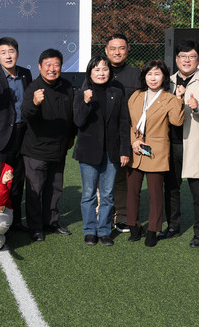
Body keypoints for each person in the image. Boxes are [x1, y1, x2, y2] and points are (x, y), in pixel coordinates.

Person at [161, 40, 199, 247]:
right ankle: (173, 227)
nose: (187, 60)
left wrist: (198, 106)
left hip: (195, 143)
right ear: (176, 59)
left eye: (191, 57)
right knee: (171, 188)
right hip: (171, 143)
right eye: (183, 57)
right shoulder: (167, 81)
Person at [72, 56, 131, 246]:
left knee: (107, 194)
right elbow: (78, 121)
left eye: (105, 69)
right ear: (90, 72)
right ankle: (90, 230)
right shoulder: (82, 93)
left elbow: (123, 123)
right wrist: (86, 102)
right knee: (88, 194)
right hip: (88, 152)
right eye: (96, 69)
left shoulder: (117, 92)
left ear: (110, 72)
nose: (101, 73)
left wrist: (124, 150)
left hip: (111, 152)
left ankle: (104, 231)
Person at [126, 59, 185, 247]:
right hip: (136, 148)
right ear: (144, 76)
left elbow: (176, 121)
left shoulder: (169, 98)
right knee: (132, 191)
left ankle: (153, 229)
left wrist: (179, 98)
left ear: (164, 77)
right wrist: (133, 141)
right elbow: (129, 123)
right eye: (149, 74)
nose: (153, 78)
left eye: (157, 74)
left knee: (155, 194)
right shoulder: (136, 95)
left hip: (156, 151)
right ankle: (133, 226)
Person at [21, 49, 77, 242]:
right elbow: (26, 114)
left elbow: (72, 115)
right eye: (48, 65)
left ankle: (51, 221)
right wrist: (35, 103)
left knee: (55, 189)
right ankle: (35, 227)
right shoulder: (33, 88)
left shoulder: (67, 86)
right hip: (36, 151)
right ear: (40, 67)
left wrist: (71, 136)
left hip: (59, 149)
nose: (52, 69)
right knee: (35, 191)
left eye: (56, 65)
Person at [0, 36, 32, 231]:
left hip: (23, 134)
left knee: (19, 179)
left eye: (11, 51)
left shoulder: (25, 74)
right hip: (2, 136)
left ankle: (16, 220)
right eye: (3, 53)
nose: (8, 56)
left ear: (17, 54)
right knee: (1, 180)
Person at [105, 33, 140, 233]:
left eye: (121, 48)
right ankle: (104, 216)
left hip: (128, 134)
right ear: (106, 50)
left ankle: (122, 217)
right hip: (104, 136)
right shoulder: (98, 71)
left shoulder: (136, 75)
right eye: (113, 48)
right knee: (103, 177)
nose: (117, 52)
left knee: (123, 177)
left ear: (127, 50)